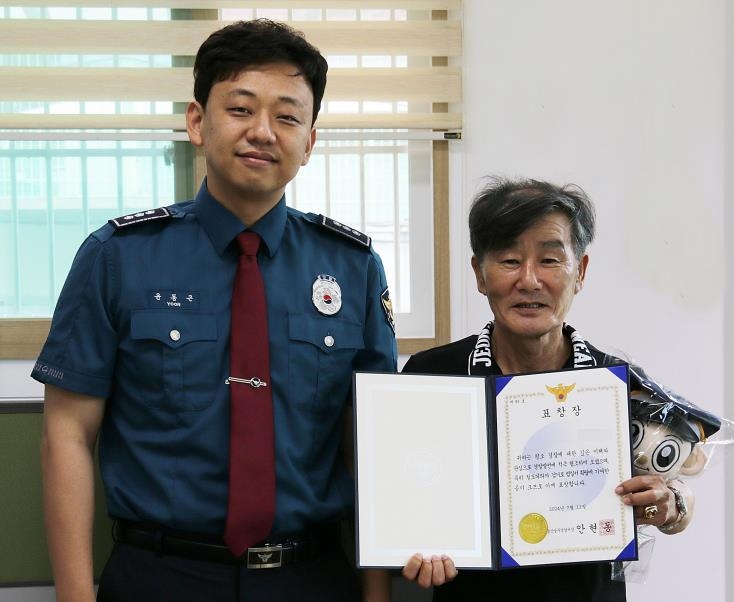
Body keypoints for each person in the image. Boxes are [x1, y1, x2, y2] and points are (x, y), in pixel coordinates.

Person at [32, 19, 396, 602]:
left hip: (311, 576)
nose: (263, 132)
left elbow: (375, 441)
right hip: (161, 573)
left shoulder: (353, 267)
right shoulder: (117, 257)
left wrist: (377, 594)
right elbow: (67, 435)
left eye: (286, 116)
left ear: (310, 141)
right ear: (197, 121)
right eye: (241, 109)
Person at [399, 176, 694, 601]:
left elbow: (681, 482)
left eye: (551, 260)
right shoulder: (433, 376)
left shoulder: (616, 383)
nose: (530, 280)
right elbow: (408, 496)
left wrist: (670, 506)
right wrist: (414, 542)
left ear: (581, 273)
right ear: (479, 275)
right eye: (508, 260)